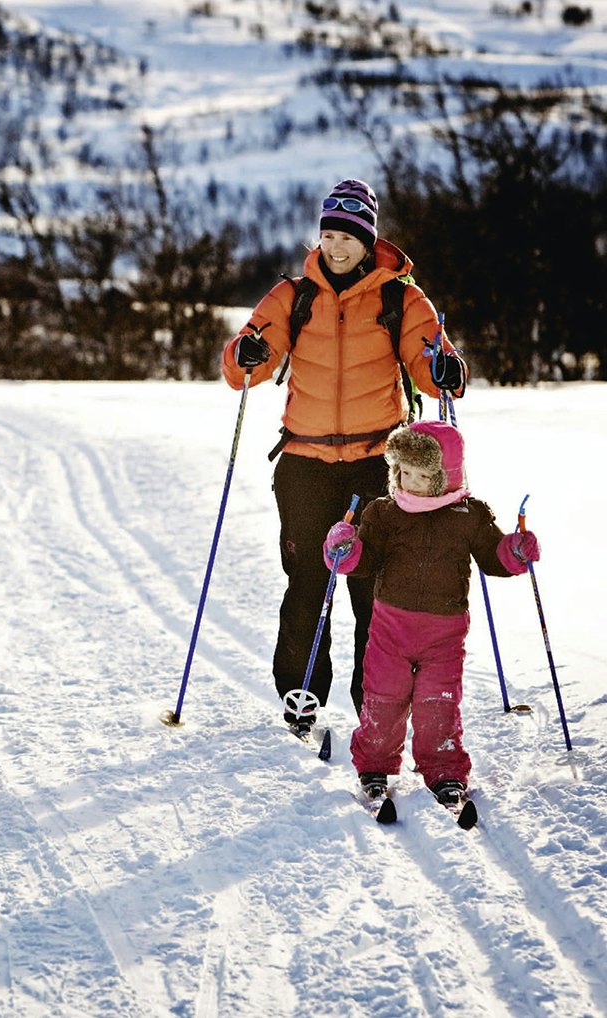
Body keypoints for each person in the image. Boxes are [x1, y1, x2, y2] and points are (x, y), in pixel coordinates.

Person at [221, 178, 468, 735]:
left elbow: (433, 363)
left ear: (368, 239)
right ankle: (301, 692)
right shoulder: (293, 295)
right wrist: (247, 354)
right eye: (328, 234)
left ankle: (374, 700)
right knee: (307, 577)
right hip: (304, 463)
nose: (336, 247)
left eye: (348, 237)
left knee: (373, 585)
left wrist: (446, 371)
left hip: (377, 464)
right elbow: (241, 364)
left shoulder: (400, 297)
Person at [323, 421, 540, 804]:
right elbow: (365, 560)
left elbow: (494, 556)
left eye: (422, 475)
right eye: (403, 472)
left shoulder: (468, 515)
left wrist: (515, 551)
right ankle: (374, 764)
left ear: (445, 477)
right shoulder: (384, 513)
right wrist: (345, 550)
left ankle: (444, 770)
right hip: (391, 628)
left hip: (445, 634)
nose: (409, 483)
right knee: (383, 699)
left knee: (437, 703)